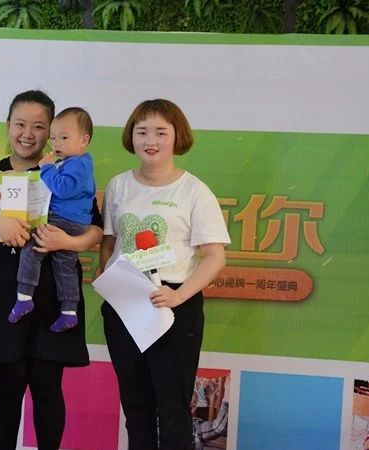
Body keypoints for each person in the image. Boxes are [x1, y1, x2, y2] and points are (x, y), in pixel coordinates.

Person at [0, 90, 103, 449]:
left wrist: (66, 242)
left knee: (47, 386)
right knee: (7, 385)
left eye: (39, 127)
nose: (28, 134)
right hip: (5, 295)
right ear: (8, 126)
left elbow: (96, 232)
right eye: (20, 124)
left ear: (52, 132)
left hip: (55, 296)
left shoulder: (68, 173)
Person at [99, 99, 230, 450]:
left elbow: (215, 256)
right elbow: (108, 243)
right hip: (126, 305)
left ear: (176, 137)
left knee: (173, 409)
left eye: (160, 132)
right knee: (136, 408)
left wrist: (179, 295)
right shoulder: (118, 186)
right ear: (131, 137)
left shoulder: (194, 191)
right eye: (142, 132)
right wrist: (109, 284)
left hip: (174, 303)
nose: (150, 140)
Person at [11, 107, 96, 332]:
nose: (57, 144)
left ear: (84, 140)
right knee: (65, 265)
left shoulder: (78, 164)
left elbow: (62, 188)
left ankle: (24, 297)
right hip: (74, 222)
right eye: (54, 138)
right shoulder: (75, 162)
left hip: (63, 219)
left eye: (64, 138)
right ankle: (69, 311)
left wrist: (47, 168)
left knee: (32, 248)